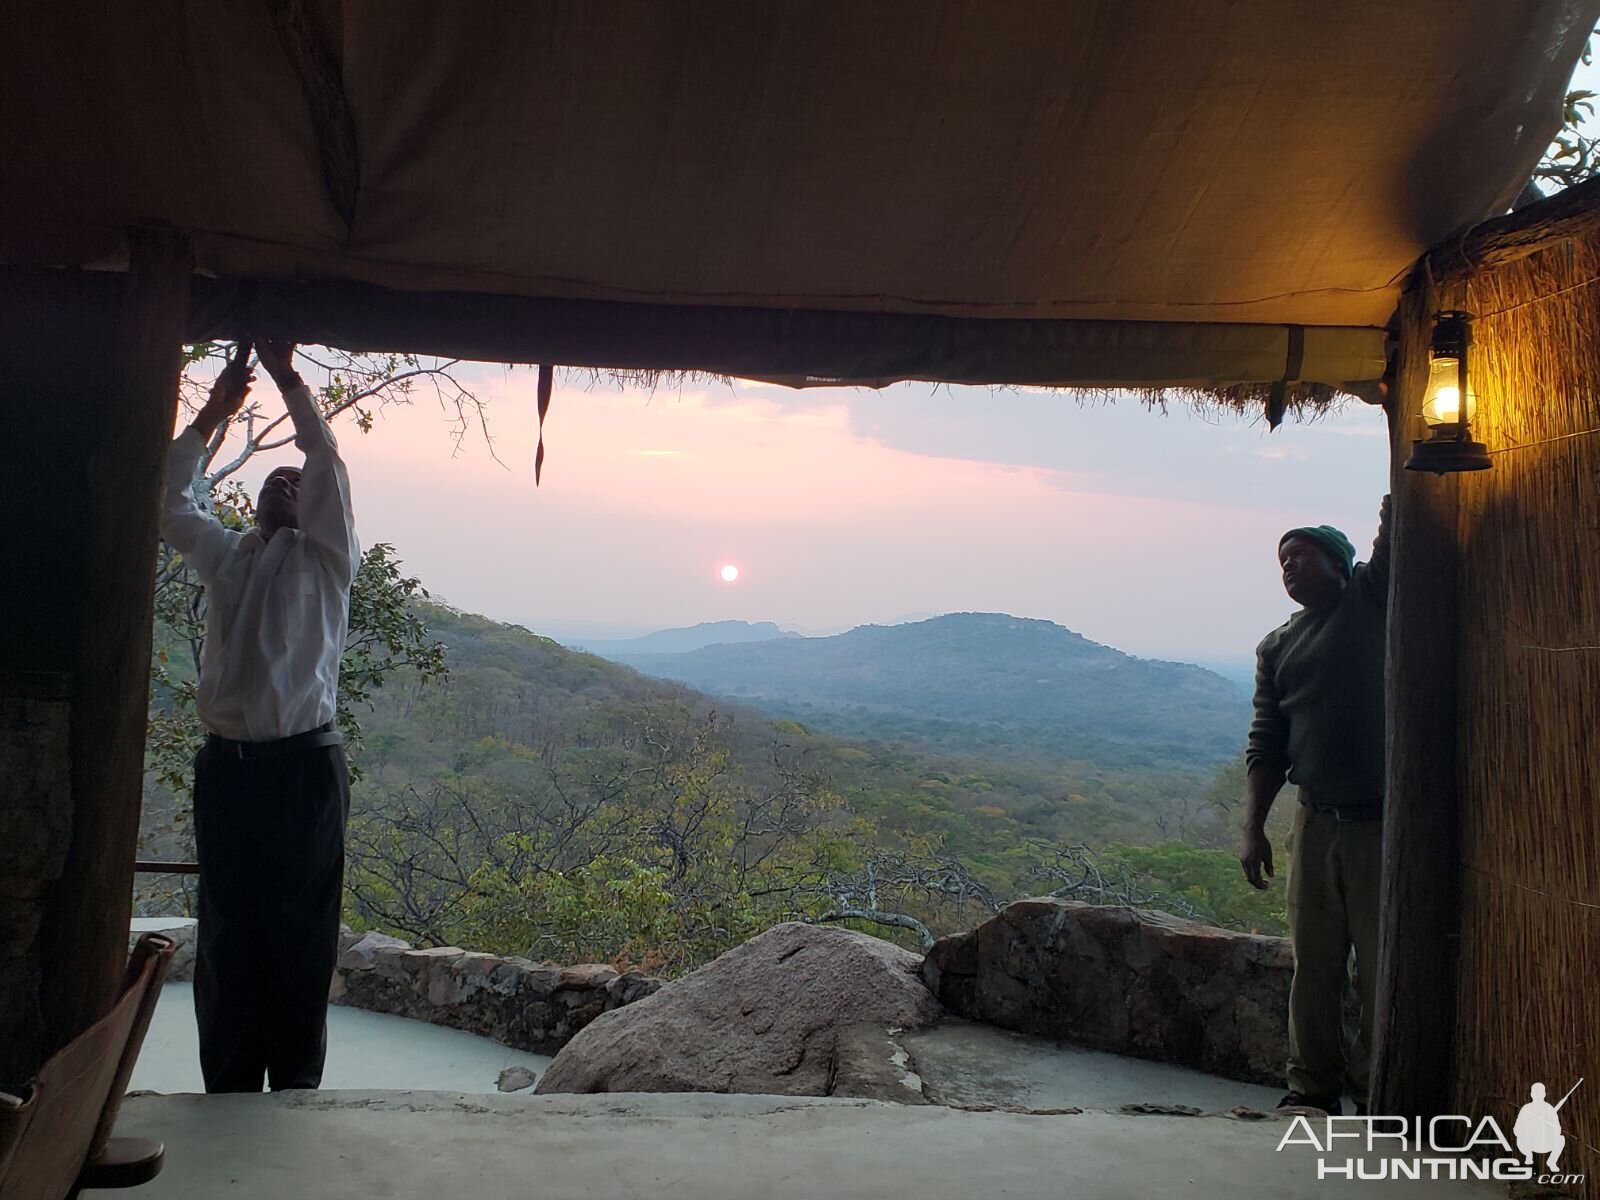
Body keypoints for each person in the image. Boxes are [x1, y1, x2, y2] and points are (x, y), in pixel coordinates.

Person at [160, 340, 359, 1092]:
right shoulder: (228, 558)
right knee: (228, 936)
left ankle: (295, 1096)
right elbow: (173, 499)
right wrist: (213, 414)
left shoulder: (327, 565)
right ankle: (230, 1091)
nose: (286, 483)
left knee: (302, 938)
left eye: (294, 480)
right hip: (229, 771)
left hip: (305, 770)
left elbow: (328, 464)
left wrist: (287, 378)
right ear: (256, 503)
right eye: (274, 480)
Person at [1238, 494, 1391, 1116]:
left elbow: (1392, 548)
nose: (1290, 568)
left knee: (1380, 971)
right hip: (1315, 819)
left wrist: (1399, 494)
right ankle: (1311, 1089)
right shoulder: (1277, 647)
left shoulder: (1370, 603)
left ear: (1340, 564)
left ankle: (1381, 1092)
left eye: (1301, 556)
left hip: (1381, 824)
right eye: (1283, 561)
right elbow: (1266, 743)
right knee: (1315, 965)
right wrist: (1252, 828)